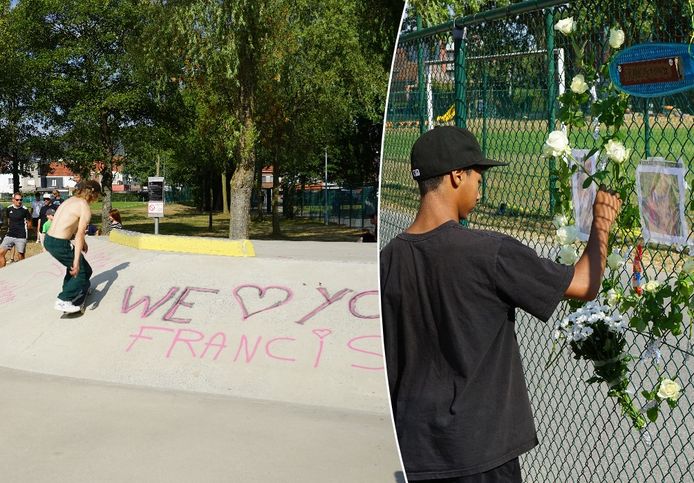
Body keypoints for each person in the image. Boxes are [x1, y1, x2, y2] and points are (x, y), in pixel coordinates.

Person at [380, 126, 621, 482]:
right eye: (479, 176)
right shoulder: (489, 252)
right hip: (482, 452)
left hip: (416, 449)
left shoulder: (387, 260)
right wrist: (601, 222)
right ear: (456, 176)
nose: (481, 187)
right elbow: (584, 283)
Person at [44, 180, 101, 313]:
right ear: (92, 193)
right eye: (97, 195)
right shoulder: (84, 206)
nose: (96, 199)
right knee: (80, 271)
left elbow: (70, 223)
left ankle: (77, 289)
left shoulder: (70, 200)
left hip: (49, 239)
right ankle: (63, 299)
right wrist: (76, 262)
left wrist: (84, 244)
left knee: (86, 270)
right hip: (59, 243)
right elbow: (80, 234)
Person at [0, 193, 32, 268]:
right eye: (17, 200)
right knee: (0, 253)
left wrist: (27, 230)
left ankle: (22, 272)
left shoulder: (25, 209)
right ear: (13, 200)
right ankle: (2, 272)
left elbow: (29, 222)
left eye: (21, 200)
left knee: (20, 256)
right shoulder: (9, 208)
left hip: (21, 236)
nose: (19, 201)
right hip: (10, 235)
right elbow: (8, 220)